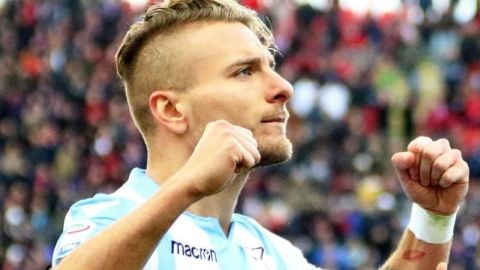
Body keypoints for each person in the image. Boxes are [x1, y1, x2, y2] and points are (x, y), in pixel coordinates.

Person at [51, 0, 469, 269]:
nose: (283, 86)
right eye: (245, 71)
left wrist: (433, 219)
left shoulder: (273, 254)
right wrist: (185, 188)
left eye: (271, 66)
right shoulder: (106, 219)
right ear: (172, 110)